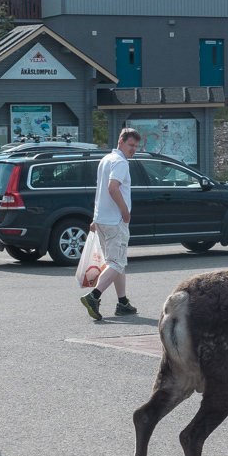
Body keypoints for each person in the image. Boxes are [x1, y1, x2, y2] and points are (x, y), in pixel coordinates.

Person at [81, 129, 141, 321]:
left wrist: (94, 218)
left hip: (102, 220)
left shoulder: (105, 160)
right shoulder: (120, 162)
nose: (134, 150)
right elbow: (112, 188)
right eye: (131, 145)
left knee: (116, 261)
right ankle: (94, 296)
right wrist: (125, 211)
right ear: (120, 142)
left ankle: (122, 302)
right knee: (117, 262)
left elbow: (101, 191)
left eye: (136, 146)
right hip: (115, 221)